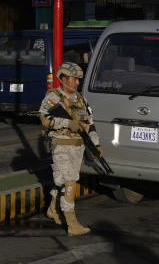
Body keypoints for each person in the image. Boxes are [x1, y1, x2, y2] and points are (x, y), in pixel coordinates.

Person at [39, 62, 102, 236]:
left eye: (77, 80)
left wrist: (96, 145)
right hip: (61, 145)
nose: (76, 83)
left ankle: (53, 209)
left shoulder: (81, 99)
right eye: (74, 79)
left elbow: (90, 124)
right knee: (70, 182)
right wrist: (68, 123)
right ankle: (72, 224)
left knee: (61, 180)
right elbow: (45, 119)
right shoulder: (54, 97)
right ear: (64, 79)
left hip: (78, 147)